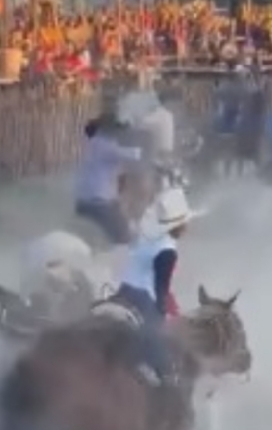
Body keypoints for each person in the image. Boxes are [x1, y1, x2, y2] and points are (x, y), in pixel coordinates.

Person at [112, 186, 201, 386]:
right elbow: (161, 287)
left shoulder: (148, 239)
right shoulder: (167, 249)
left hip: (124, 291)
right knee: (156, 342)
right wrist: (162, 312)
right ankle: (166, 380)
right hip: (143, 297)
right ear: (178, 225)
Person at [72, 114, 141, 245]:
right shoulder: (104, 144)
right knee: (124, 238)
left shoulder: (94, 143)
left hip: (85, 202)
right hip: (99, 204)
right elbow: (135, 155)